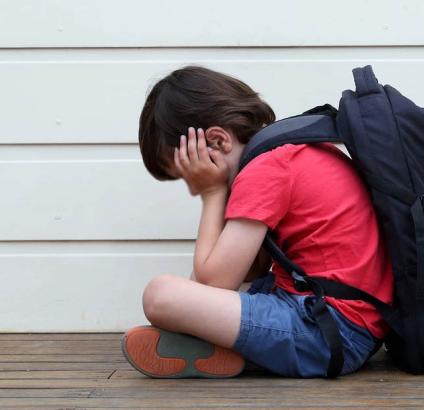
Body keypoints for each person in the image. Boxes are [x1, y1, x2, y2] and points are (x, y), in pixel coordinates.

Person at [122, 65, 393, 378]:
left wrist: (212, 193)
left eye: (189, 170)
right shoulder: (286, 149)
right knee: (201, 293)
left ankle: (226, 349)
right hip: (343, 323)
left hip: (332, 333)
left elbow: (214, 284)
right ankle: (225, 350)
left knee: (161, 295)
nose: (191, 181)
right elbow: (250, 270)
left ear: (217, 141)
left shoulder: (265, 169)